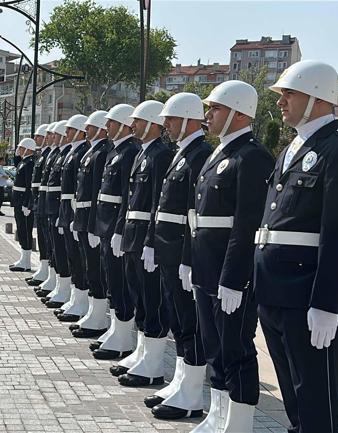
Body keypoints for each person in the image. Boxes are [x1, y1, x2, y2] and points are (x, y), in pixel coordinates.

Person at [255, 60, 338, 433]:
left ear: (316, 97)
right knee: (294, 401)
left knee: (318, 403)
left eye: (288, 94)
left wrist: (327, 303)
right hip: (275, 292)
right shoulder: (292, 150)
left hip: (309, 296)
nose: (281, 102)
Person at [184, 80, 274, 433]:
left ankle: (239, 424)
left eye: (215, 108)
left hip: (229, 273)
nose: (208, 115)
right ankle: (219, 416)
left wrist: (234, 278)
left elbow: (246, 225)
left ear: (237, 112)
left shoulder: (252, 157)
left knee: (236, 349)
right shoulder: (218, 154)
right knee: (215, 349)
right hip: (208, 268)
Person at [146, 93, 211, 420]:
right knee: (178, 320)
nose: (166, 125)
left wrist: (187, 256)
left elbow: (193, 213)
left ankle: (192, 395)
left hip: (181, 249)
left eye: (171, 119)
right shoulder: (181, 153)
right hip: (167, 247)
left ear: (188, 119)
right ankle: (181, 383)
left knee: (189, 323)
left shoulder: (200, 154)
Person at [114, 101, 173, 388]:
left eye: (137, 120)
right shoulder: (143, 154)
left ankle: (152, 364)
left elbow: (155, 204)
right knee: (139, 296)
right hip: (133, 233)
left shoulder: (161, 155)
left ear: (151, 123)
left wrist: (151, 241)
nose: (133, 125)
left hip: (145, 237)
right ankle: (142, 354)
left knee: (153, 300)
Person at [90, 104, 140, 360]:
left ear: (123, 124)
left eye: (110, 122)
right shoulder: (116, 151)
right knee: (111, 279)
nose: (106, 127)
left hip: (116, 228)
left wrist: (119, 229)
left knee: (120, 284)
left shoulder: (130, 151)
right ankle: (116, 330)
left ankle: (123, 336)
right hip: (106, 227)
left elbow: (125, 196)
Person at [70, 110, 111, 338]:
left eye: (90, 127)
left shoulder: (102, 152)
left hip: (93, 219)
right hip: (83, 216)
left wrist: (94, 224)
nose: (87, 131)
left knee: (95, 269)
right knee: (87, 266)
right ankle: (92, 312)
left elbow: (97, 192)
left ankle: (98, 316)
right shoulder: (92, 152)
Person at [54, 114, 91, 323]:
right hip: (66, 208)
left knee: (80, 260)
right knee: (70, 256)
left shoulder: (80, 153)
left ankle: (81, 301)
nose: (65, 134)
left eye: (69, 129)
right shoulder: (73, 153)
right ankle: (76, 298)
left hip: (76, 210)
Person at [42, 121, 73, 309]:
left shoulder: (69, 154)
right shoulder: (59, 154)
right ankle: (60, 286)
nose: (49, 138)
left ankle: (67, 291)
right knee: (55, 249)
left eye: (54, 134)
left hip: (65, 210)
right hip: (54, 207)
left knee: (66, 254)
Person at [33, 123, 61, 298]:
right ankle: (49, 275)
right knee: (48, 244)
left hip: (56, 207)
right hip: (45, 204)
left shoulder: (57, 154)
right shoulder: (49, 155)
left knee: (57, 249)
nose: (44, 138)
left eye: (51, 134)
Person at [25, 123, 50, 286]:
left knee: (49, 243)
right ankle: (44, 269)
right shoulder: (42, 155)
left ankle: (47, 271)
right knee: (43, 240)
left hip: (48, 204)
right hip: (40, 202)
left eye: (38, 137)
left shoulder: (48, 155)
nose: (36, 139)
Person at [9, 138, 37, 272]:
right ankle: (23, 259)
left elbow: (29, 186)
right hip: (18, 201)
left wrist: (27, 203)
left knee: (25, 230)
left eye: (21, 148)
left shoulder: (30, 163)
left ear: (28, 149)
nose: (18, 150)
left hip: (23, 202)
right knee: (21, 229)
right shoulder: (23, 162)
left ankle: (27, 262)